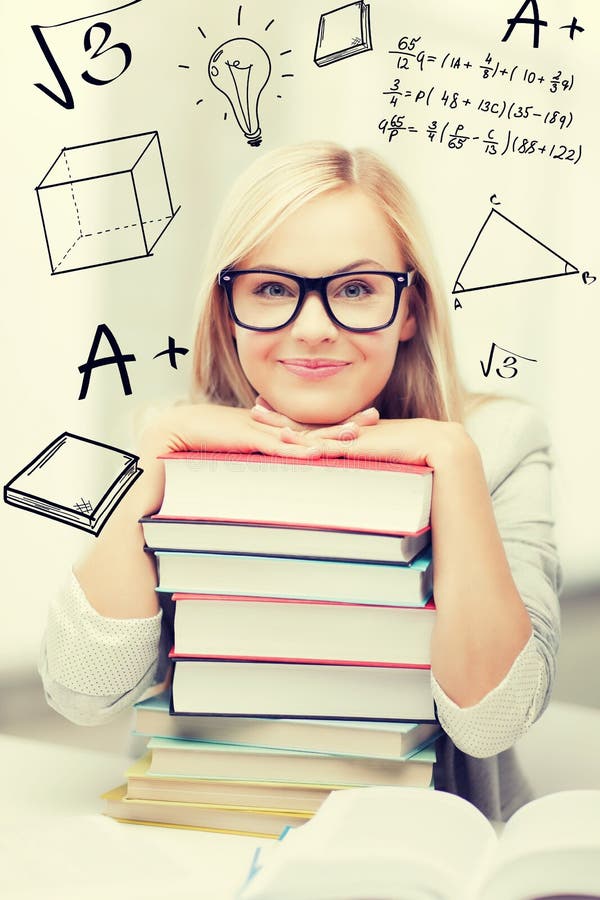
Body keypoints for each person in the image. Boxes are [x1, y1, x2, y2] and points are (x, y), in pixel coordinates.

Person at [38, 141, 561, 821]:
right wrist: (155, 463)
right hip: (203, 837)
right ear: (228, 309)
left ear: (409, 309)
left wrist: (453, 464)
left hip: (419, 853)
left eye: (355, 289)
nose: (313, 329)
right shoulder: (168, 435)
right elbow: (83, 693)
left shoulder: (496, 444)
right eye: (274, 289)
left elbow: (492, 722)